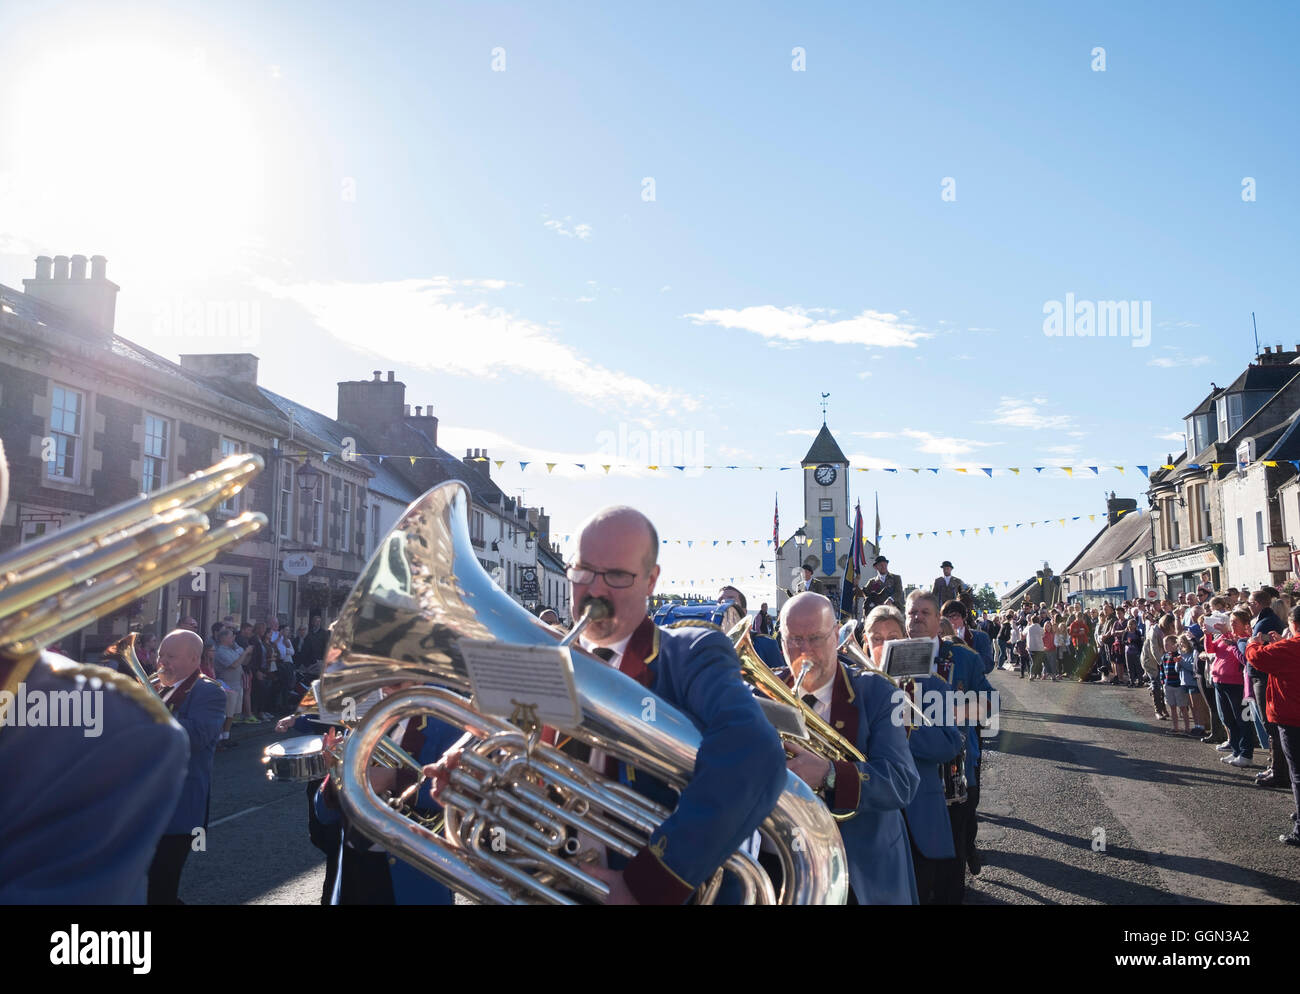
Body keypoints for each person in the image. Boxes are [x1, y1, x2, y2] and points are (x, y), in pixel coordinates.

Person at [430, 505, 787, 904]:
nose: (595, 590)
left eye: (616, 575)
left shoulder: (690, 653)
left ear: (651, 580)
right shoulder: (537, 662)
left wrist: (648, 884)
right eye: (583, 571)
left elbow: (754, 752)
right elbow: (501, 792)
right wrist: (469, 791)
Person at [779, 593, 920, 903]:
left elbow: (902, 781)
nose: (805, 651)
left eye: (815, 638)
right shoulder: (761, 693)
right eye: (794, 640)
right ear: (781, 640)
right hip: (785, 870)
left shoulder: (879, 693)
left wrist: (829, 774)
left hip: (861, 872)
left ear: (835, 634)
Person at [863, 605, 963, 904]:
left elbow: (949, 744)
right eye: (876, 638)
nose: (884, 645)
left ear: (905, 640)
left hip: (918, 815)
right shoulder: (851, 688)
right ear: (865, 642)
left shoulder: (932, 684)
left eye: (893, 636)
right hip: (868, 818)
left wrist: (905, 724)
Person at [906, 589, 995, 883]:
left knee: (951, 865)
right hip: (906, 774)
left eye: (924, 613)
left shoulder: (963, 658)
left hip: (954, 775)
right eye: (911, 613)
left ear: (937, 620)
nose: (917, 618)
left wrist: (950, 713)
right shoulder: (888, 657)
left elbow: (990, 706)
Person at [147, 629, 226, 903]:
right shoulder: (156, 687)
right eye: (160, 655)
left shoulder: (208, 692)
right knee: (142, 886)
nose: (162, 662)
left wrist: (148, 712)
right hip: (144, 805)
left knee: (161, 888)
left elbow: (195, 736)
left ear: (194, 659)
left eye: (171, 656)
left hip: (180, 809)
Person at [1244, 608, 1300, 846]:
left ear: (1294, 623)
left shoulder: (1289, 647)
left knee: (1297, 773)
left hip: (1291, 716)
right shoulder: (1288, 647)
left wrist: (1252, 643)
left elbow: (1258, 658)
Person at [1248, 588, 1291, 789]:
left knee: (1272, 726)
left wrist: (1250, 644)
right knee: (1271, 727)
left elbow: (1261, 656)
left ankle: (1278, 770)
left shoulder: (1266, 621)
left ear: (1258, 604)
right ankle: (1275, 766)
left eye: (1250, 603)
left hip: (1264, 677)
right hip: (1262, 677)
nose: (1248, 606)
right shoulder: (1263, 620)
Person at [1206, 608, 1257, 766]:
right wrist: (1208, 633)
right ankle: (1236, 751)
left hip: (1236, 683)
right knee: (1227, 718)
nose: (1232, 625)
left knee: (1242, 720)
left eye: (1235, 623)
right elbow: (1210, 649)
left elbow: (1243, 660)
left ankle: (1246, 753)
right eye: (1231, 622)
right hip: (1219, 681)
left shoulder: (1245, 639)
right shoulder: (1225, 636)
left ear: (1245, 624)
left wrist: (1231, 639)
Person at [212, 626, 252, 746]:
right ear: (224, 638)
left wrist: (248, 654)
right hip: (227, 685)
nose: (233, 638)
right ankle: (218, 738)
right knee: (225, 713)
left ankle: (226, 737)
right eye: (231, 636)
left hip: (236, 684)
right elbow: (234, 665)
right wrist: (245, 652)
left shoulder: (232, 649)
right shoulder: (220, 651)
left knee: (232, 713)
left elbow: (243, 662)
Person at [943, 600, 994, 674]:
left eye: (954, 616)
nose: (950, 621)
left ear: (963, 617)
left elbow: (988, 666)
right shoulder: (939, 638)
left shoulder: (980, 637)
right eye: (946, 617)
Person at [1141, 614, 1173, 720]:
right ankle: (1158, 710)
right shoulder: (1154, 631)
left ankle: (1163, 707)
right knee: (1156, 683)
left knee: (1163, 683)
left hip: (1161, 659)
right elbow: (1154, 649)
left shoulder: (1165, 632)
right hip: (1150, 660)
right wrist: (1162, 663)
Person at [1161, 636, 1191, 736]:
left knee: (1182, 707)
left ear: (1175, 644)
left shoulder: (1179, 656)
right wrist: (1163, 681)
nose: (1165, 646)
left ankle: (1187, 728)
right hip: (1168, 684)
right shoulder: (1164, 656)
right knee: (1172, 706)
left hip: (1178, 685)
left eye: (1167, 644)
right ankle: (1175, 727)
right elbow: (1162, 670)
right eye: (1164, 644)